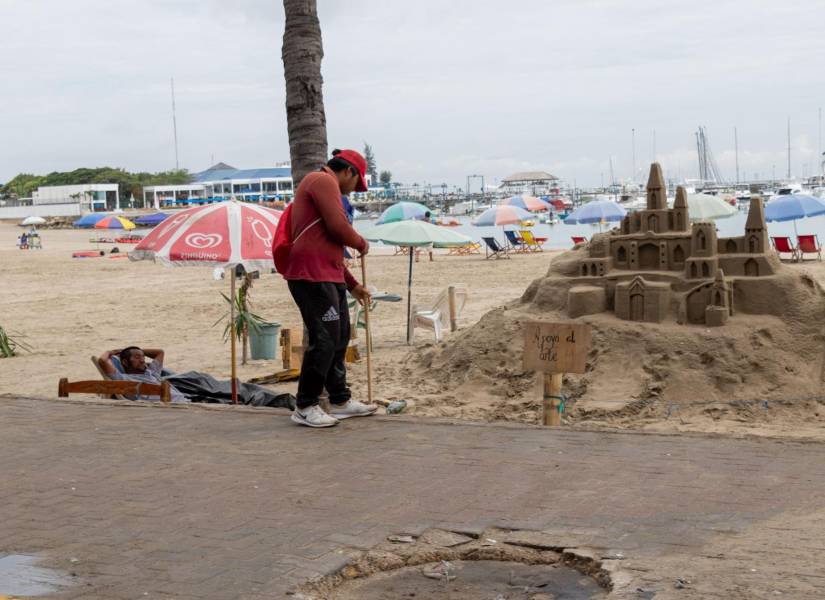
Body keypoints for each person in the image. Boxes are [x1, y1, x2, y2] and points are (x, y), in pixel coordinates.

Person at [282, 149, 376, 428]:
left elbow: (330, 254)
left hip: (326, 275)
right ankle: (305, 405)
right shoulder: (321, 180)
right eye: (356, 185)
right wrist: (361, 242)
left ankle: (340, 400)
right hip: (310, 276)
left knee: (340, 335)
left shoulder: (325, 185)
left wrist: (353, 286)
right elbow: (338, 228)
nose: (353, 192)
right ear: (349, 171)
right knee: (324, 339)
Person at [98, 347, 295, 408]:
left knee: (238, 391)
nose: (142, 361)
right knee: (239, 399)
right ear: (124, 362)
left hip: (187, 400)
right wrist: (114, 351)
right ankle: (287, 403)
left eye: (142, 357)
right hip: (180, 407)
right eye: (136, 358)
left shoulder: (151, 372)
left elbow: (159, 352)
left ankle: (287, 402)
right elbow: (102, 359)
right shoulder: (123, 379)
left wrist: (137, 350)